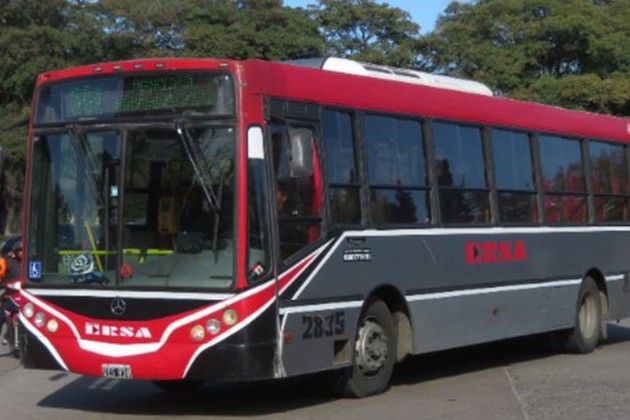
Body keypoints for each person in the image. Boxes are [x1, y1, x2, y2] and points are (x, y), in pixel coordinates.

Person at [0, 239, 22, 345]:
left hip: (22, 294)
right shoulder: (6, 262)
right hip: (8, 293)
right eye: (19, 250)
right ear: (14, 252)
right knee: (1, 315)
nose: (21, 252)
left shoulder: (28, 262)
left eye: (23, 250)